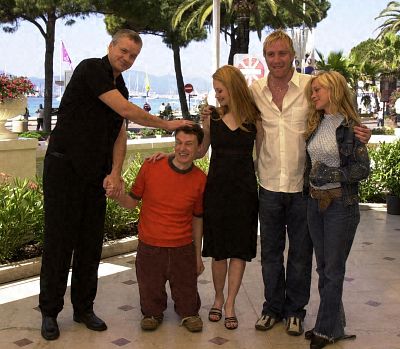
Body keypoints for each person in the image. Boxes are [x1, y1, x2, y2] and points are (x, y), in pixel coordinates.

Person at [39, 29, 192, 341]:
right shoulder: (90, 69)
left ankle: (84, 308)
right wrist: (166, 124)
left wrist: (116, 171)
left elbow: (120, 131)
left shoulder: (119, 83)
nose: (126, 58)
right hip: (64, 167)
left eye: (132, 55)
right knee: (59, 242)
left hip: (95, 174)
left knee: (90, 243)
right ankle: (50, 312)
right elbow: (125, 111)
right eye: (123, 51)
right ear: (111, 47)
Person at [249, 30, 371, 336]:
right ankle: (272, 308)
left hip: (305, 188)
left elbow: (339, 110)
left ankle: (295, 311)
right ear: (266, 58)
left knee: (302, 255)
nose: (277, 60)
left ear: (292, 54)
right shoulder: (255, 90)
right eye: (271, 55)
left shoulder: (309, 87)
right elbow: (234, 114)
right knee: (271, 254)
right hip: (268, 184)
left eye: (282, 53)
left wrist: (361, 132)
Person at [109, 125, 207, 332]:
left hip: (183, 246)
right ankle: (152, 313)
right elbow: (132, 202)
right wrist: (117, 194)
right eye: (178, 143)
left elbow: (198, 219)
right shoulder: (151, 166)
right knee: (149, 294)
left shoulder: (200, 179)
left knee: (188, 300)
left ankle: (188, 313)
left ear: (199, 148)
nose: (182, 149)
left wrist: (197, 255)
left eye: (189, 144)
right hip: (150, 245)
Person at [303, 71, 370, 349]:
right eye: (312, 90)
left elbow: (361, 169)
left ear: (334, 90)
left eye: (318, 89)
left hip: (341, 205)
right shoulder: (316, 122)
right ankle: (334, 325)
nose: (313, 94)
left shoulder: (352, 126)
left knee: (333, 270)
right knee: (324, 268)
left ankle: (325, 329)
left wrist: (330, 173)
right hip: (314, 202)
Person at [199, 65, 262, 330]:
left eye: (220, 90)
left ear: (233, 87)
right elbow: (200, 152)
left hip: (245, 191)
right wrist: (170, 157)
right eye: (215, 91)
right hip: (217, 190)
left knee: (239, 251)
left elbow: (263, 157)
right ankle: (217, 297)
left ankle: (230, 303)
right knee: (219, 251)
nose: (217, 96)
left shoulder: (254, 118)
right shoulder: (211, 117)